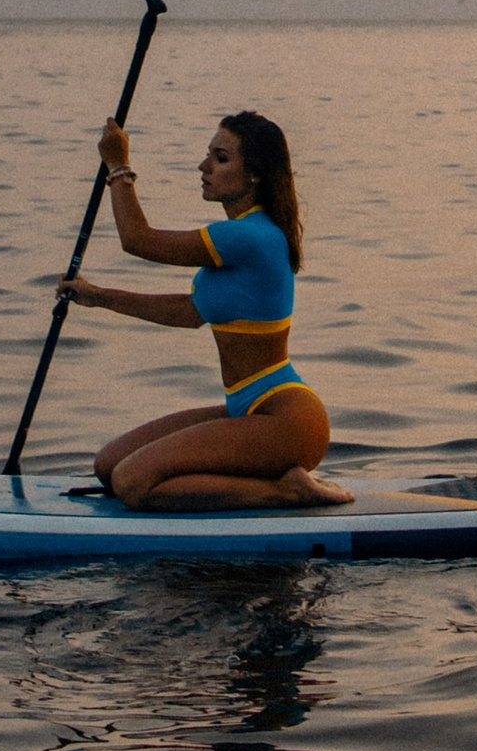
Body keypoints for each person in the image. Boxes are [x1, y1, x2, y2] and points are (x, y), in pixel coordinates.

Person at [50, 108, 349, 511]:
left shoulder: (247, 235)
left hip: (286, 420)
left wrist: (118, 165)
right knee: (109, 464)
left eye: (221, 158)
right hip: (247, 409)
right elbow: (190, 312)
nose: (204, 166)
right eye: (209, 154)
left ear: (255, 174)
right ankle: (260, 479)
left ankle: (285, 490)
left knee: (132, 481)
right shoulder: (244, 240)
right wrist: (98, 296)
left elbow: (137, 240)